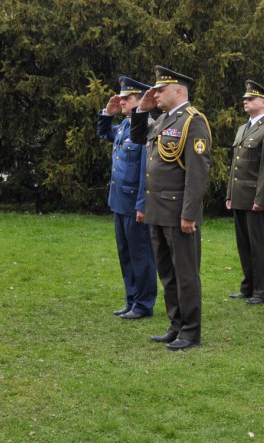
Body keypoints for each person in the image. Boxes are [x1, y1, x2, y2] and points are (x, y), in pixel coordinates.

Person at [130, 66, 211, 351]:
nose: (156, 94)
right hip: (158, 210)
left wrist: (189, 214)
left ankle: (190, 330)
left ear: (179, 91)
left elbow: (198, 173)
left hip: (178, 213)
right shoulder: (163, 119)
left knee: (185, 273)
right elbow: (140, 139)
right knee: (167, 272)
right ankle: (176, 325)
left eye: (161, 90)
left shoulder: (193, 121)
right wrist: (142, 109)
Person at [96, 76, 158, 320]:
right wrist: (107, 114)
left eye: (127, 98)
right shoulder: (124, 126)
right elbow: (104, 134)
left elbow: (147, 172)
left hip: (135, 204)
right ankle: (132, 299)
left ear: (142, 100)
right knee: (126, 254)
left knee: (141, 255)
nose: (121, 101)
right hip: (120, 202)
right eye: (121, 97)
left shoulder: (149, 128)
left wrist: (143, 205)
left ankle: (144, 304)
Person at [225, 80, 264, 305]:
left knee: (259, 245)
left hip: (255, 198)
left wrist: (261, 199)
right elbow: (235, 166)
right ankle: (247, 286)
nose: (245, 101)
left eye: (250, 98)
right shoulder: (243, 128)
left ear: (263, 102)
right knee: (244, 245)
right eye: (245, 98)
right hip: (240, 196)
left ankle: (261, 290)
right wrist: (230, 193)